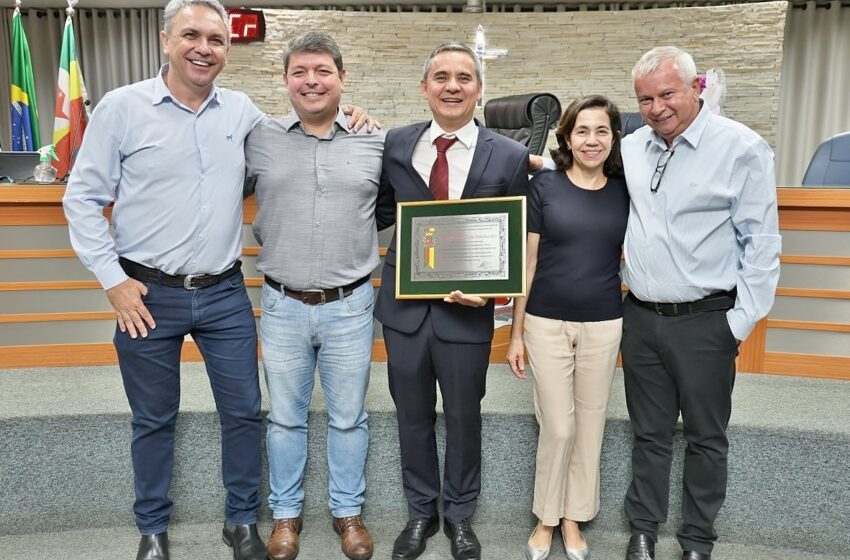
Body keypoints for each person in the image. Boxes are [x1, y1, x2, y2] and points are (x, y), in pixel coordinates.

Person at [62, 3, 371, 559]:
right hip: (145, 293)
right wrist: (112, 279)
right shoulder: (122, 108)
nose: (204, 47)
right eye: (191, 36)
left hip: (224, 293)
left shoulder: (243, 112)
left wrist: (355, 117)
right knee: (153, 417)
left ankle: (241, 523)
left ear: (228, 48)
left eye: (216, 38)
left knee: (243, 411)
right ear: (165, 41)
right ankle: (152, 528)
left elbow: (303, 131)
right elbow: (82, 199)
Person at [619, 46, 781, 560]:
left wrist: (738, 324)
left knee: (707, 437)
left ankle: (697, 540)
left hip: (707, 321)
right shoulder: (631, 146)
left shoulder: (741, 147)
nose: (656, 107)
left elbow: (762, 242)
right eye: (645, 98)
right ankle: (642, 529)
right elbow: (572, 165)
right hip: (641, 319)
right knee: (649, 433)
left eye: (666, 93)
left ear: (695, 88)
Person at [375, 43, 529, 560]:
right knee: (411, 415)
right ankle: (421, 513)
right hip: (405, 310)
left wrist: (496, 291)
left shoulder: (506, 154)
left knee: (465, 416)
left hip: (468, 313)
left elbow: (518, 233)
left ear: (478, 89)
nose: (452, 85)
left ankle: (460, 517)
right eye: (440, 75)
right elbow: (377, 209)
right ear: (425, 87)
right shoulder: (395, 144)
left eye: (464, 77)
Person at [243, 31, 382, 560]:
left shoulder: (375, 140)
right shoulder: (259, 138)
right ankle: (286, 516)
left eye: (323, 70)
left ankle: (348, 514)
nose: (311, 81)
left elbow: (396, 206)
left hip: (350, 305)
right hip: (281, 304)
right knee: (285, 417)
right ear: (285, 81)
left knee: (349, 417)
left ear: (342, 78)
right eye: (300, 72)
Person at [507, 95, 629, 560]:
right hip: (545, 321)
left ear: (614, 137)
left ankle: (574, 518)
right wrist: (516, 333)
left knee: (590, 425)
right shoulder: (546, 187)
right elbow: (528, 264)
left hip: (603, 323)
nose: (591, 140)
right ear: (566, 138)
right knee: (558, 426)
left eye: (601, 131)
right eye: (582, 131)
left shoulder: (625, 188)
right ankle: (546, 517)